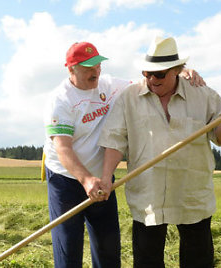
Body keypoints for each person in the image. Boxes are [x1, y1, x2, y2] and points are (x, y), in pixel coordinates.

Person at [43, 41, 205, 268]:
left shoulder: (109, 85)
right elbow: (63, 148)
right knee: (68, 249)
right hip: (67, 180)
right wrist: (85, 179)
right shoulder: (61, 100)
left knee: (108, 249)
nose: (96, 71)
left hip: (103, 179)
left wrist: (180, 73)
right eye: (88, 67)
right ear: (71, 69)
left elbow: (149, 82)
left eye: (98, 65)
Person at [98, 36, 221, 267]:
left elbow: (220, 138)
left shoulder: (203, 95)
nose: (151, 79)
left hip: (192, 193)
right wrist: (105, 177)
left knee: (197, 260)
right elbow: (114, 140)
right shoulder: (129, 98)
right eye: (147, 73)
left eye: (159, 74)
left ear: (178, 71)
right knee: (147, 261)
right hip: (148, 194)